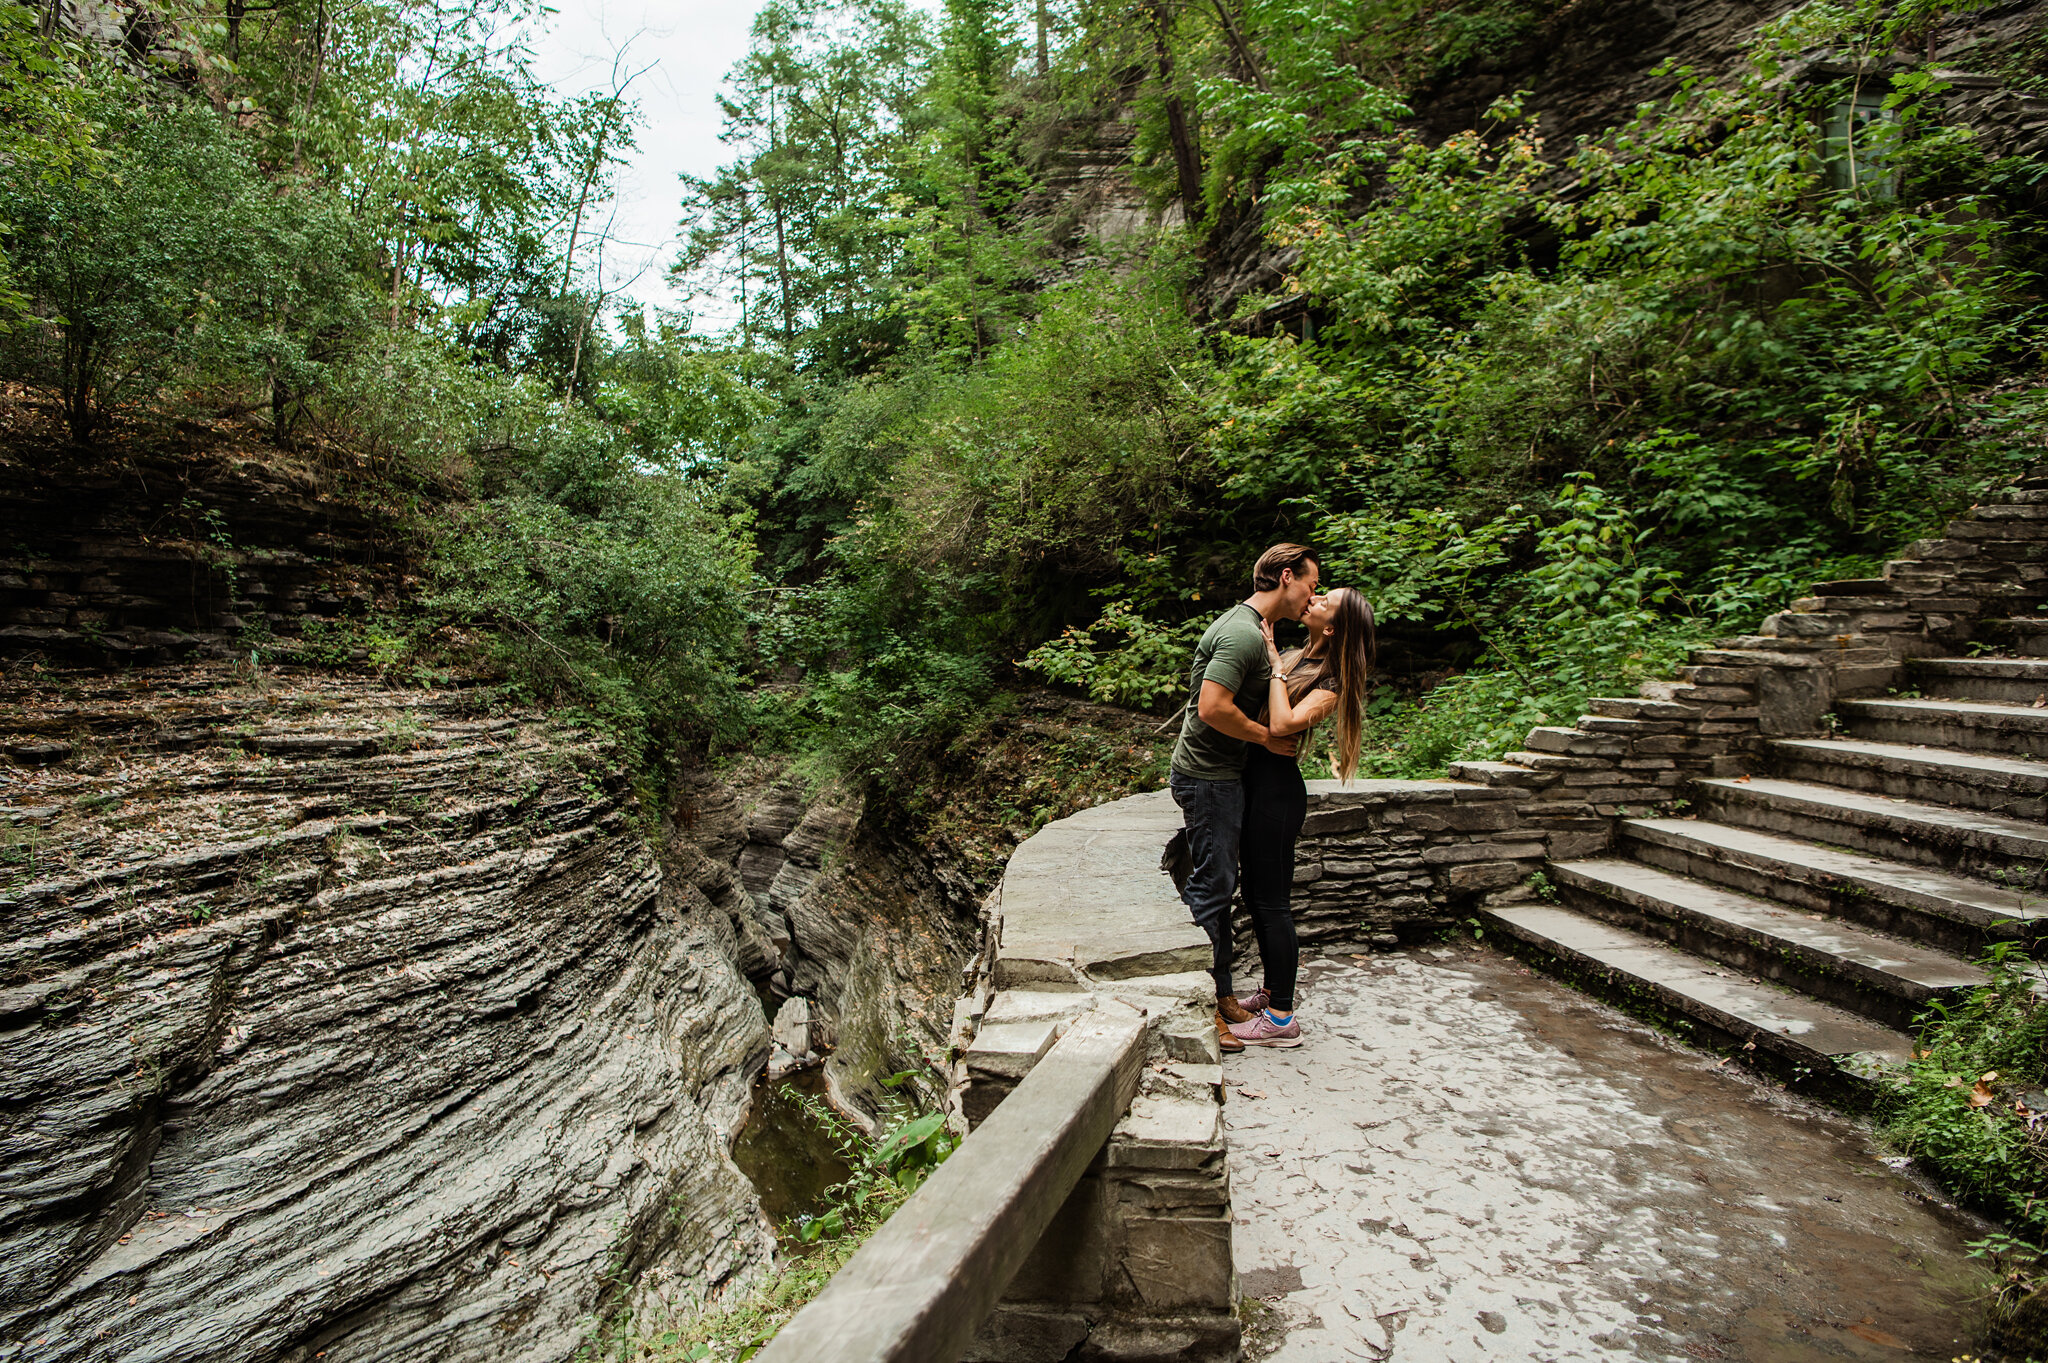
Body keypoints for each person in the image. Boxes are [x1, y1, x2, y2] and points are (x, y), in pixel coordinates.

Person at [1168, 543, 1319, 1055]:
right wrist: (1265, 738)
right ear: (1284, 577)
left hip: (1224, 775)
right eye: (1310, 584)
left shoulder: (1259, 631)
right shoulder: (1240, 633)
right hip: (1208, 776)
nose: (1311, 595)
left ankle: (1223, 994)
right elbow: (1212, 708)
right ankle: (1199, 1005)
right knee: (1214, 886)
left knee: (1222, 884)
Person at [1227, 586, 1377, 1049]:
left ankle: (1280, 1018)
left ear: (1331, 627)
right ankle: (1271, 993)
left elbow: (1284, 725)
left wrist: (1274, 667)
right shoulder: (1294, 655)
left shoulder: (1332, 679)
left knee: (1272, 903)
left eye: (1323, 602)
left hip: (1277, 794)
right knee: (1254, 893)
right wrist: (1275, 658)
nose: (1312, 600)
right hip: (1255, 786)